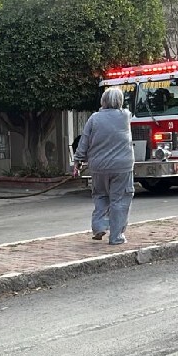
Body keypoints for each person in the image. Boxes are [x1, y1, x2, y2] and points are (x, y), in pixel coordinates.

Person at [73, 87, 135, 245]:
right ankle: (116, 236)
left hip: (98, 166)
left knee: (100, 195)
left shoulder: (94, 118)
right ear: (120, 101)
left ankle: (99, 225)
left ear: (103, 101)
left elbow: (84, 141)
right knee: (119, 200)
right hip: (122, 166)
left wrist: (78, 162)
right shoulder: (125, 116)